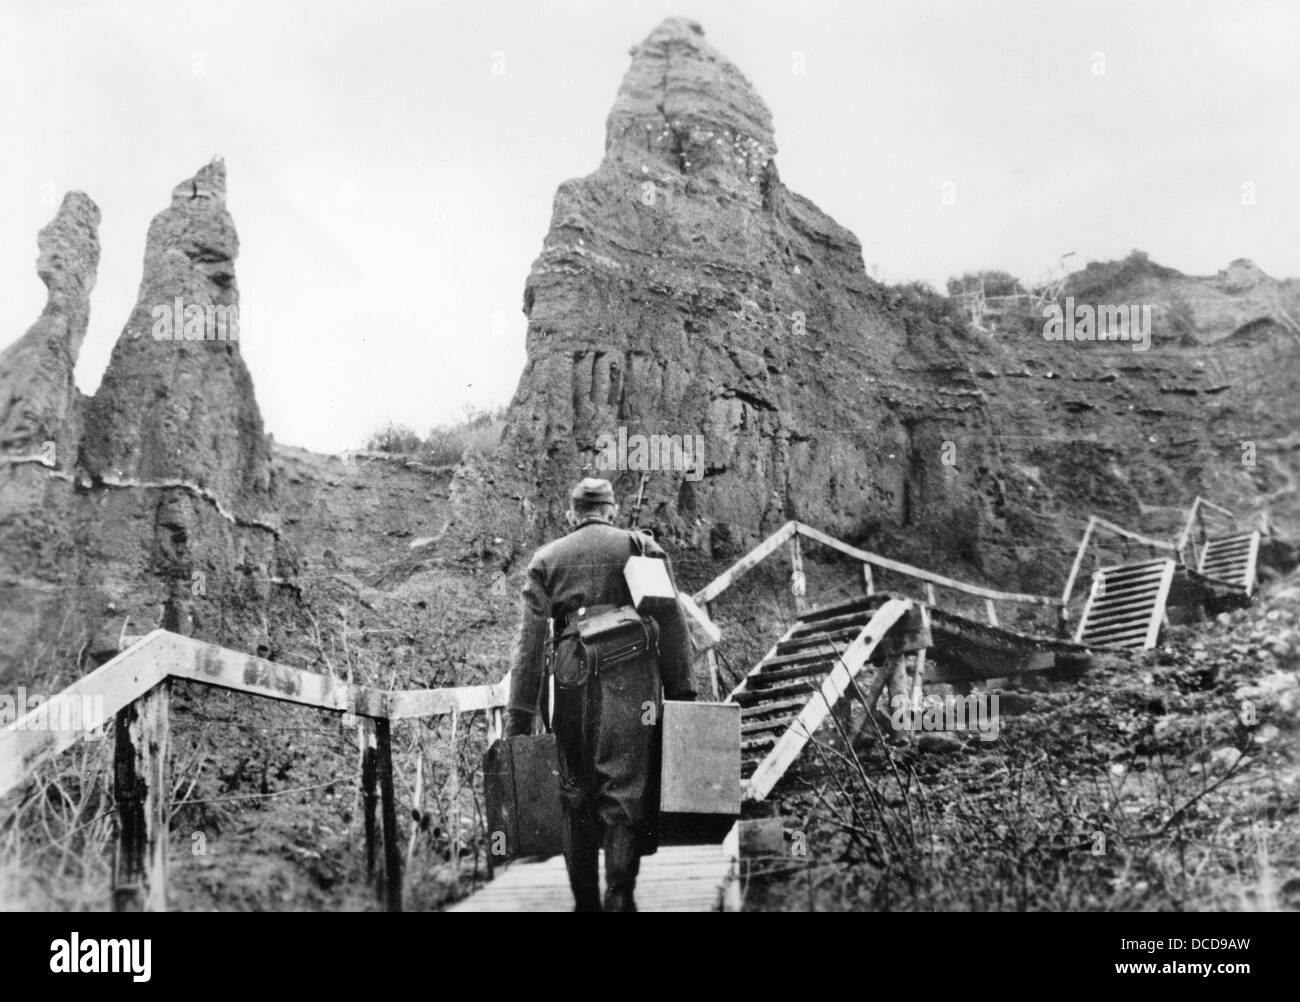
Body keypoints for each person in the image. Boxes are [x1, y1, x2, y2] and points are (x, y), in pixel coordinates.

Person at [504, 477, 697, 912]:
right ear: (611, 510)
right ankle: (620, 896)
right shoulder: (641, 547)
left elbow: (529, 647)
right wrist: (683, 695)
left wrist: (518, 720)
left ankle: (586, 904)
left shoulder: (547, 559)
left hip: (571, 684)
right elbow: (673, 625)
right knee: (624, 790)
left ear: (572, 514)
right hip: (635, 687)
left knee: (573, 790)